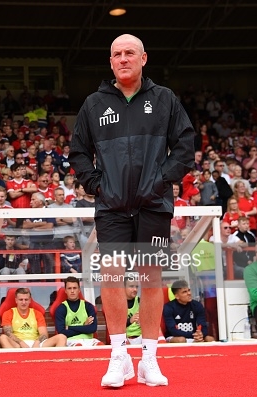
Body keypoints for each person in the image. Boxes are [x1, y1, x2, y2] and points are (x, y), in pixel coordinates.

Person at [69, 34, 194, 388]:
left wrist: (162, 180)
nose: (123, 59)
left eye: (129, 53)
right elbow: (78, 151)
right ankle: (119, 357)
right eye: (116, 54)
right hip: (111, 205)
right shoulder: (94, 104)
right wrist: (95, 184)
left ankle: (149, 360)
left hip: (153, 203)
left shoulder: (165, 99)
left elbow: (185, 146)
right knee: (111, 278)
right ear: (110, 62)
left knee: (151, 279)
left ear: (143, 58)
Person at [0, 287, 67, 348]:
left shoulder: (37, 313)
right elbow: (8, 333)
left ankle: (55, 361)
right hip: (18, 344)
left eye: (26, 299)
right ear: (16, 300)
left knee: (62, 337)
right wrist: (21, 342)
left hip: (36, 343)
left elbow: (44, 334)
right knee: (3, 338)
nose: (23, 302)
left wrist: (37, 342)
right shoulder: (8, 313)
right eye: (21, 300)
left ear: (30, 300)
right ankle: (14, 361)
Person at [54, 277, 102, 346]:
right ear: (65, 290)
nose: (72, 291)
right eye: (69, 288)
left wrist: (70, 327)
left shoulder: (88, 306)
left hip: (89, 340)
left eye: (75, 288)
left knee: (101, 345)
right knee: (78, 347)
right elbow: (62, 332)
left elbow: (92, 328)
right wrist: (84, 327)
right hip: (71, 341)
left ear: (79, 290)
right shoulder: (61, 308)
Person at [124, 276, 142, 343]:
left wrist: (144, 321)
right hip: (125, 338)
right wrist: (130, 320)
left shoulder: (140, 301)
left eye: (137, 287)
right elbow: (114, 326)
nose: (135, 289)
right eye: (131, 286)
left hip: (141, 336)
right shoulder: (117, 303)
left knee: (157, 331)